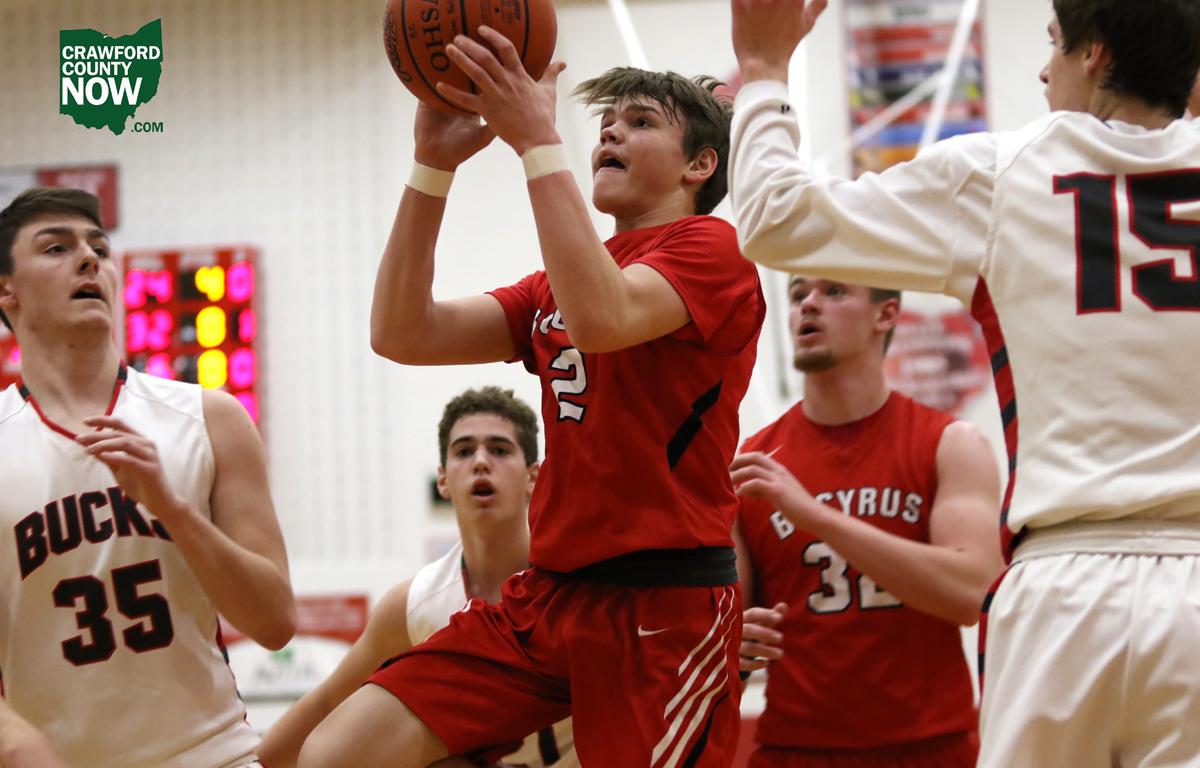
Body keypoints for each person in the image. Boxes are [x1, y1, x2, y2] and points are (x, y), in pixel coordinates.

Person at [727, 0, 1200, 764]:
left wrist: (763, 71)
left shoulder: (1002, 172)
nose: (1043, 70)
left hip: (1066, 579)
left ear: (1096, 55)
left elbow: (776, 218)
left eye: (1055, 44)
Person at [298, 31, 764, 768]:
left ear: (699, 165)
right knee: (337, 754)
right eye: (605, 122)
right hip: (547, 597)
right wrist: (432, 167)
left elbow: (604, 318)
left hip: (662, 603)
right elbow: (401, 331)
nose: (610, 131)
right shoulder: (556, 284)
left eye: (640, 121)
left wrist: (538, 142)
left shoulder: (715, 250)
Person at [0, 187, 296, 768]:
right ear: (6, 290)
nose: (89, 260)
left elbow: (275, 622)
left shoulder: (211, 418)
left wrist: (174, 510)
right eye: (57, 248)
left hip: (215, 756)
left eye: (99, 249)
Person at [731, 276, 1002, 767]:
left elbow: (973, 593)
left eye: (833, 292)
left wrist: (814, 515)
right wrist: (732, 644)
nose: (809, 304)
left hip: (929, 749)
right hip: (796, 750)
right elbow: (728, 636)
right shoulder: (754, 463)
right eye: (797, 295)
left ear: (887, 314)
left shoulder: (950, 444)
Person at [258, 386, 575, 768]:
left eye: (499, 449)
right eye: (463, 451)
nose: (480, 462)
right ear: (442, 480)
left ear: (533, 477)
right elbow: (328, 702)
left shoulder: (574, 581)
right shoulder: (415, 604)